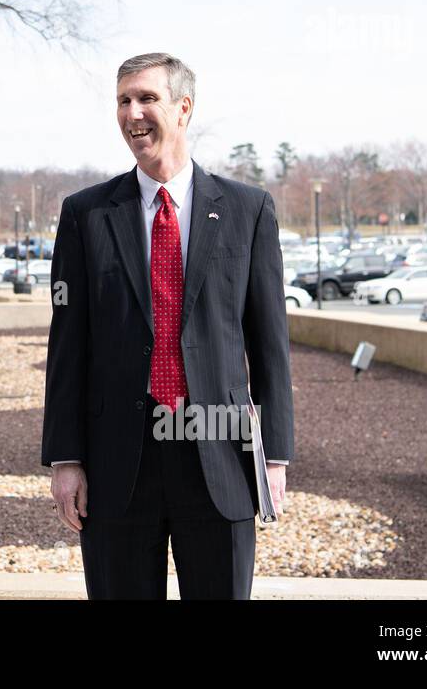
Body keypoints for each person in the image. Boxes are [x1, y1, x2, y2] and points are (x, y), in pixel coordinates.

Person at [42, 52, 294, 599]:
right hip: (116, 466)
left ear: (184, 108)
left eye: (146, 98)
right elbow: (68, 346)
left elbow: (270, 346)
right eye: (123, 101)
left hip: (220, 458)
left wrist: (273, 456)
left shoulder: (248, 210)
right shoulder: (85, 214)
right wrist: (65, 458)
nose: (133, 113)